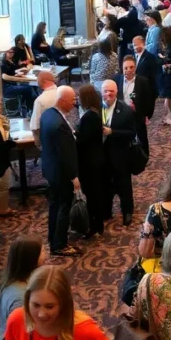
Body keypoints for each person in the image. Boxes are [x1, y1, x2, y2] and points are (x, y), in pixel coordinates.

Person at [39, 87, 81, 256]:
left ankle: (52, 236)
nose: (74, 103)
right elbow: (66, 155)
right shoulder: (59, 126)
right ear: (62, 100)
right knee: (64, 207)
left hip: (50, 170)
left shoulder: (48, 114)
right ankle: (60, 245)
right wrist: (74, 177)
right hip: (61, 174)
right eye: (72, 100)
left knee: (54, 206)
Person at [0, 236, 44, 340]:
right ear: (32, 259)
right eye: (42, 252)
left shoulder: (14, 281)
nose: (45, 254)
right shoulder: (20, 297)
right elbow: (24, 336)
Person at [99, 79, 137, 227]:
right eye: (105, 91)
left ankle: (127, 212)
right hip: (102, 156)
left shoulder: (126, 110)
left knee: (124, 186)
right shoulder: (96, 108)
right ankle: (106, 211)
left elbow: (132, 133)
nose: (108, 94)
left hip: (120, 156)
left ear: (116, 93)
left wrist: (112, 132)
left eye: (111, 91)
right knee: (104, 186)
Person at [75, 84, 107, 236]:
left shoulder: (89, 116)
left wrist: (75, 134)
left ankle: (95, 225)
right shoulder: (96, 112)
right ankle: (97, 224)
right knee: (96, 193)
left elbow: (83, 140)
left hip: (90, 162)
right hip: (96, 159)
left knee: (93, 195)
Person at [113, 54, 154, 153]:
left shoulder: (143, 81)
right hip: (121, 115)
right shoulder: (116, 80)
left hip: (138, 115)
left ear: (135, 67)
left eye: (131, 67)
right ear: (122, 69)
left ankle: (144, 156)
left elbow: (148, 100)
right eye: (125, 68)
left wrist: (146, 115)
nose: (129, 70)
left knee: (141, 137)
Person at [156, 26, 171, 125]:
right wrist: (163, 59)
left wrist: (163, 58)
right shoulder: (167, 45)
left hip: (170, 71)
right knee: (169, 95)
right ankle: (168, 115)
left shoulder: (167, 45)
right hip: (167, 72)